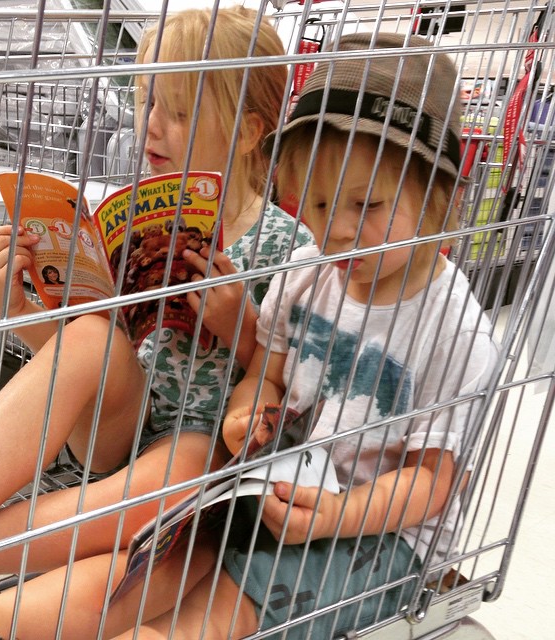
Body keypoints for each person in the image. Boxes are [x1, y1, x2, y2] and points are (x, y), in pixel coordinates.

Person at [0, 7, 312, 639]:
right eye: (146, 101)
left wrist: (243, 331)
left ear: (247, 131)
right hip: (120, 424)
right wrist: (17, 307)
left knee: (181, 477)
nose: (150, 125)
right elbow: (81, 361)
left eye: (177, 111)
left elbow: (295, 394)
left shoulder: (289, 249)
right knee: (93, 334)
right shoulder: (127, 217)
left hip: (203, 459)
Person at [123, 32, 501, 639]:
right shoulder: (306, 274)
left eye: (367, 206)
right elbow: (265, 375)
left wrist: (336, 515)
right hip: (286, 486)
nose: (338, 232)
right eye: (320, 206)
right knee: (163, 559)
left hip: (380, 533)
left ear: (436, 198)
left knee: (216, 613)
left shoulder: (455, 329)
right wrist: (249, 413)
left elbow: (431, 483)